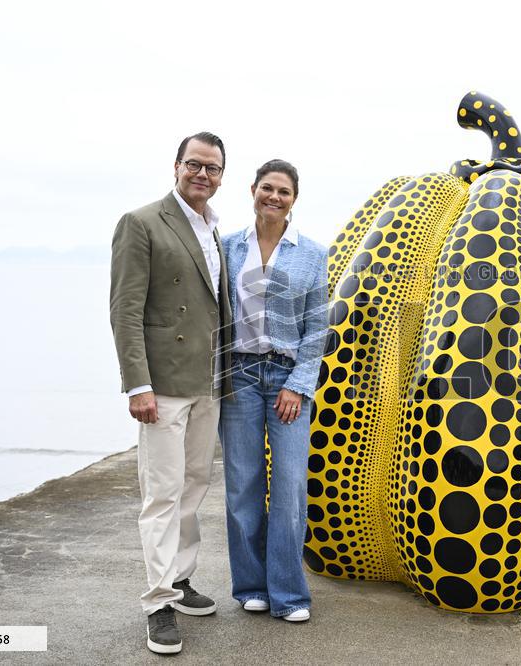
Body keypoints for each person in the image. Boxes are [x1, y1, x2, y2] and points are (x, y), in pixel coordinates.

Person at [109, 132, 234, 654]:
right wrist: (138, 384)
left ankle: (180, 580)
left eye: (213, 168)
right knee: (161, 494)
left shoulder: (214, 228)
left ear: (222, 177)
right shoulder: (141, 223)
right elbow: (125, 309)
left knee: (194, 485)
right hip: (161, 384)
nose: (202, 174)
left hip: (209, 380)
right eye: (195, 165)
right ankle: (157, 602)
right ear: (176, 166)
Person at [220, 159, 329, 622]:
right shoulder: (226, 247)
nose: (274, 197)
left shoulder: (313, 253)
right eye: (268, 188)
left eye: (284, 191)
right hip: (239, 378)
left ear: (294, 199)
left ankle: (289, 595)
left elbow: (317, 325)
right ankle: (250, 586)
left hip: (287, 380)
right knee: (243, 486)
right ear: (253, 190)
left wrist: (299, 386)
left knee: (288, 488)